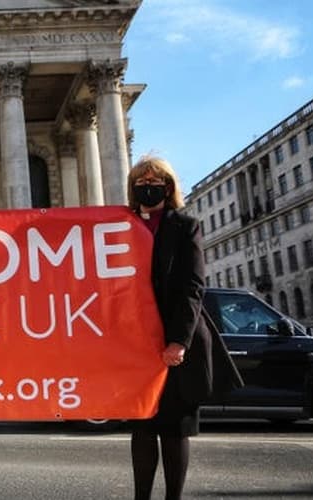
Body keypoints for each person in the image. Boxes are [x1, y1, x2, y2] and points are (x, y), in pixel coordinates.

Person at [127, 156, 241, 500]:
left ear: (169, 185)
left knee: (174, 429)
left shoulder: (186, 225)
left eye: (155, 179)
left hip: (177, 340)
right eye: (141, 180)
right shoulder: (122, 225)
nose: (148, 185)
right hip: (137, 341)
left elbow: (193, 286)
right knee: (143, 428)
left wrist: (178, 341)